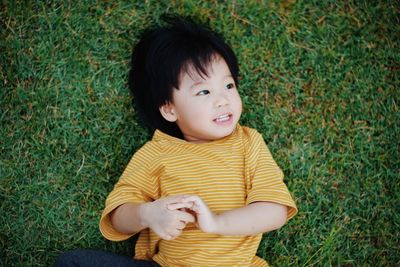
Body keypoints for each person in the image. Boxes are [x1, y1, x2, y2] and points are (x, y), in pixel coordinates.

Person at [54, 15, 297, 267]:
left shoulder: (248, 144)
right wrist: (147, 214)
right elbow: (117, 216)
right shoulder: (156, 153)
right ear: (170, 109)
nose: (223, 99)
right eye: (204, 91)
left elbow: (274, 210)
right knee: (73, 262)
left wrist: (216, 222)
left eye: (228, 85)